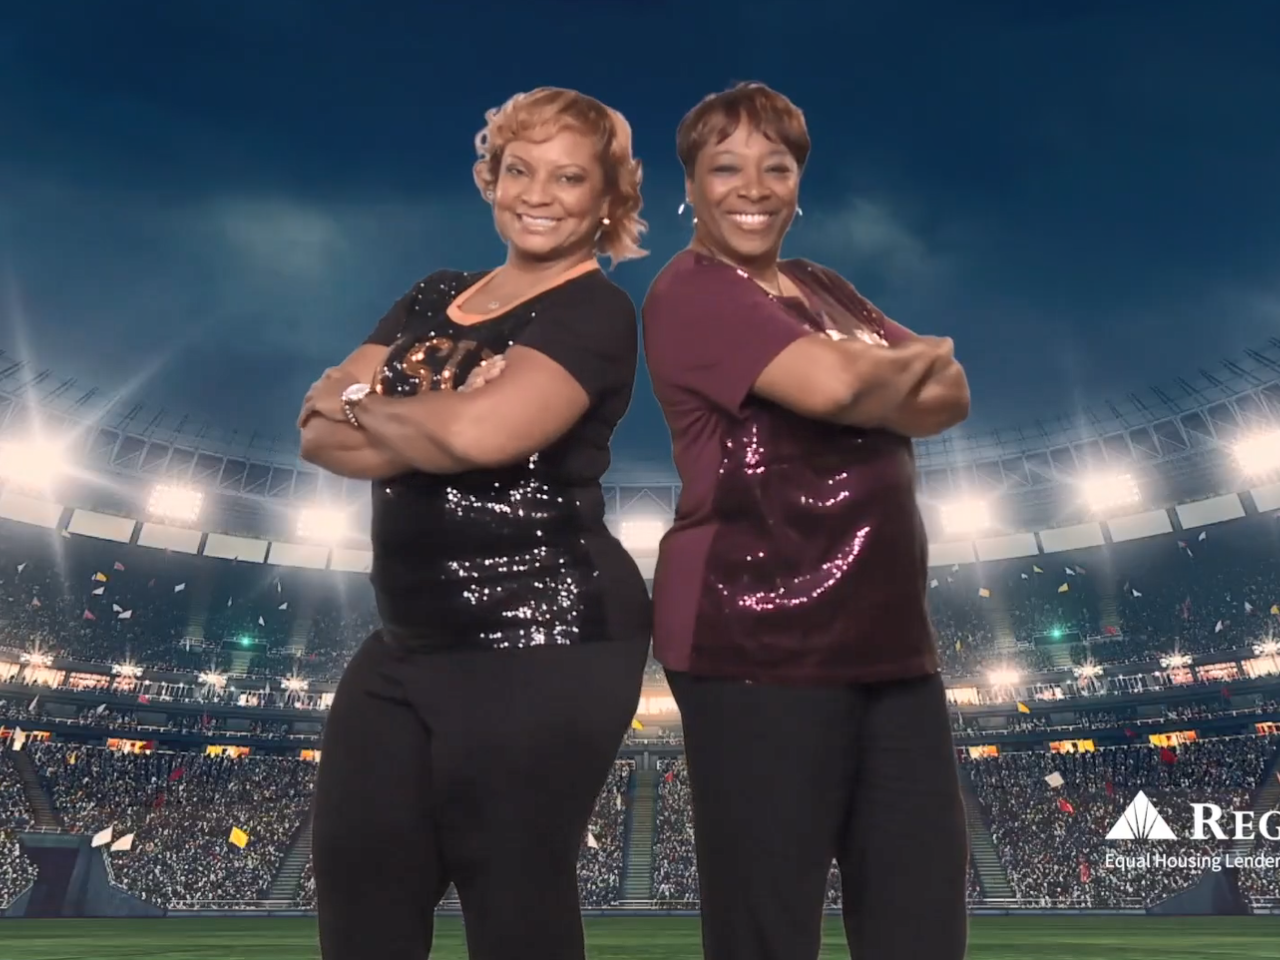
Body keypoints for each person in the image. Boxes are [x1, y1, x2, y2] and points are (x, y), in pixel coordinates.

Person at [297, 87, 652, 960]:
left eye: (570, 177)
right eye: (519, 169)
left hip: (549, 636)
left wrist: (372, 404)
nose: (538, 193)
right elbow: (316, 434)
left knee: (511, 888)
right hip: (405, 640)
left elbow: (487, 436)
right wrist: (411, 411)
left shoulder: (596, 312)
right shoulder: (434, 292)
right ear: (489, 177)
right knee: (358, 877)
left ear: (608, 200)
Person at [642, 82, 971, 960]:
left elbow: (954, 391)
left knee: (922, 926)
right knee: (767, 934)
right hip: (754, 641)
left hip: (892, 644)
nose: (753, 186)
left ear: (798, 182)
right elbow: (839, 387)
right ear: (692, 187)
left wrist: (886, 371)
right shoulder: (690, 292)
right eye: (727, 167)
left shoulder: (825, 287)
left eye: (775, 166)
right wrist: (893, 365)